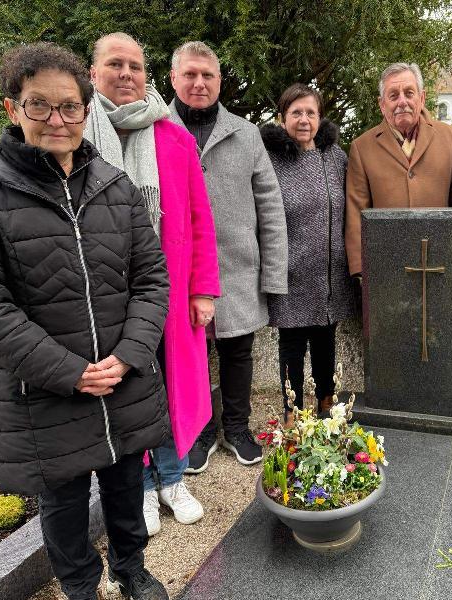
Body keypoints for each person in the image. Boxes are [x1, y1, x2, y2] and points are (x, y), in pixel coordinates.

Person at [0, 42, 170, 600]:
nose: (56, 120)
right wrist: (70, 371)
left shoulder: (114, 186)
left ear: (85, 109)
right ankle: (81, 588)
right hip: (44, 392)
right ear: (12, 109)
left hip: (121, 378)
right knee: (65, 504)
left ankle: (131, 568)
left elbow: (151, 279)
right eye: (39, 106)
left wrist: (132, 352)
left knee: (124, 486)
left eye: (69, 107)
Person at [86, 33, 220, 538]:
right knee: (126, 392)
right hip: (104, 297)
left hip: (166, 291)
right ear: (93, 72)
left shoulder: (174, 137)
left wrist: (203, 288)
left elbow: (199, 218)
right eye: (115, 64)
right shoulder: (79, 134)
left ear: (148, 76)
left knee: (170, 389)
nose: (126, 74)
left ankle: (171, 478)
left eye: (135, 66)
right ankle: (138, 485)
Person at [168, 41, 288, 470]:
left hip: (238, 269)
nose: (199, 83)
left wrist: (273, 277)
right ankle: (199, 430)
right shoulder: (156, 130)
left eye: (208, 75)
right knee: (191, 354)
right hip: (179, 272)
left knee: (239, 353)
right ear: (174, 78)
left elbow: (270, 207)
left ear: (220, 81)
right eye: (190, 74)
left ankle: (236, 427)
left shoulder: (246, 132)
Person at [260, 84, 355, 422]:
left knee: (326, 342)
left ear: (320, 117)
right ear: (282, 117)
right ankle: (293, 413)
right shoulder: (271, 159)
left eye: (310, 113)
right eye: (296, 113)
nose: (303, 120)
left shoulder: (336, 157)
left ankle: (327, 405)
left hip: (329, 272)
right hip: (291, 271)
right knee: (292, 347)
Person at [344, 62, 452, 277]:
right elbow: (356, 215)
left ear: (422, 97)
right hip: (386, 269)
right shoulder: (362, 147)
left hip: (443, 264)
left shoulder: (450, 137)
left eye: (409, 93)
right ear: (382, 105)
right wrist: (361, 271)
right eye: (393, 95)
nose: (402, 102)